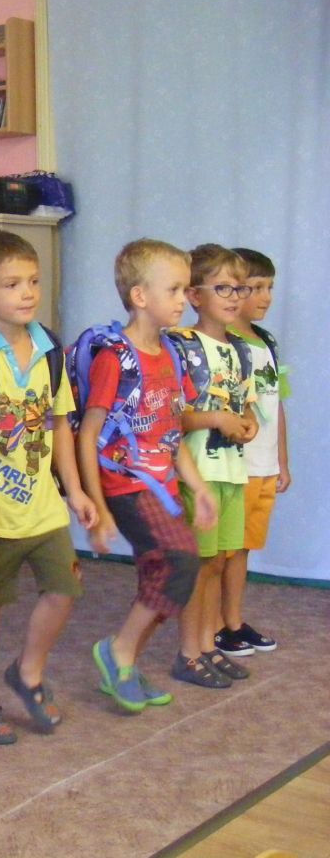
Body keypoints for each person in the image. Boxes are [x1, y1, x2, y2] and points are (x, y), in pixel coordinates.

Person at [0, 231, 98, 745]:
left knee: (64, 588)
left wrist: (75, 489)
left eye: (33, 281)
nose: (27, 293)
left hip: (42, 505)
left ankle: (28, 672)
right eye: (12, 284)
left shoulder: (49, 348)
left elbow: (60, 423)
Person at [79, 238, 217, 712]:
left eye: (185, 289)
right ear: (140, 296)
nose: (184, 299)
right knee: (179, 561)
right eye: (174, 289)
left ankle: (124, 667)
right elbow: (88, 434)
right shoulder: (114, 359)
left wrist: (197, 486)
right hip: (127, 486)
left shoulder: (171, 355)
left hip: (162, 484)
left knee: (164, 576)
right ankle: (117, 649)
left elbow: (171, 434)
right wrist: (97, 507)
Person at [171, 244, 258, 689]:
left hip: (232, 471)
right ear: (194, 295)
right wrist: (216, 419)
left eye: (239, 289)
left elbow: (248, 406)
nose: (234, 297)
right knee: (200, 564)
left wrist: (246, 424)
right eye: (222, 287)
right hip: (198, 473)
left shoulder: (242, 349)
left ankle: (208, 644)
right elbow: (172, 418)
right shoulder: (181, 346)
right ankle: (189, 651)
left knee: (220, 561)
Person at [218, 247, 287, 656]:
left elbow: (276, 404)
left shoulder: (267, 341)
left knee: (242, 548)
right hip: (234, 466)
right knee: (222, 549)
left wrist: (282, 461)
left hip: (264, 465)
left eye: (269, 287)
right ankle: (212, 626)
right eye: (255, 287)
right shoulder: (224, 342)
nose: (265, 297)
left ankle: (233, 621)